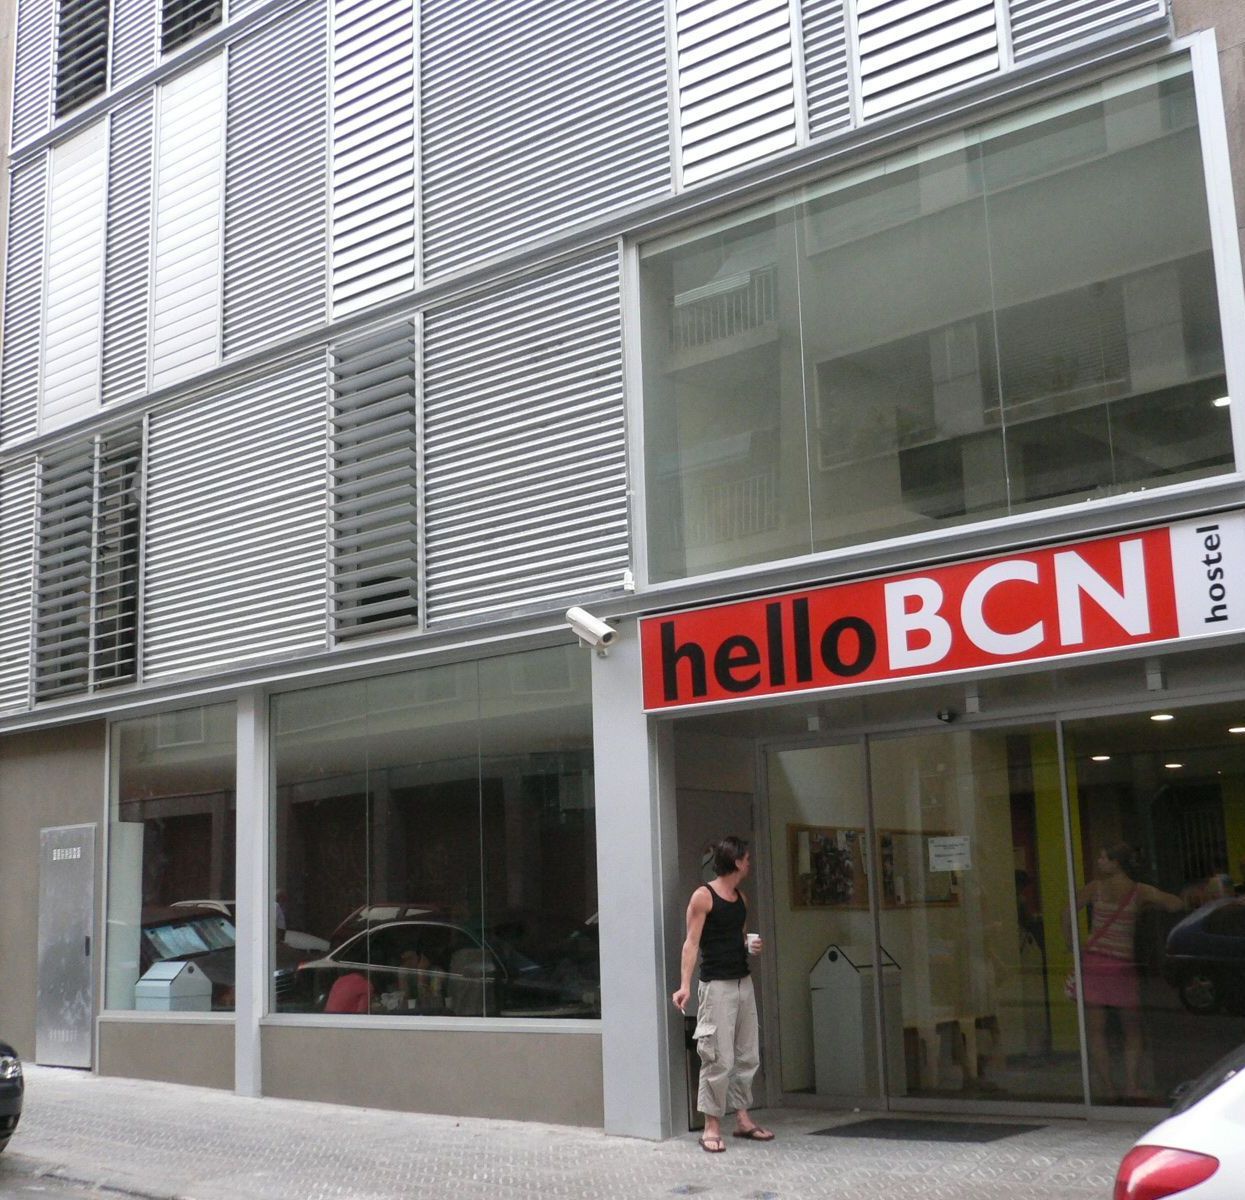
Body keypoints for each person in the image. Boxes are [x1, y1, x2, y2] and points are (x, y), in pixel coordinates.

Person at [672, 835, 773, 1153]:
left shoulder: (742, 899)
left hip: (743, 983)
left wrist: (749, 946)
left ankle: (742, 1119)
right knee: (717, 1056)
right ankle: (711, 1126)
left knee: (747, 1055)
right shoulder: (703, 897)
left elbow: (737, 938)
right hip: (716, 985)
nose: (749, 862)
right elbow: (691, 943)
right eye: (746, 858)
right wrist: (685, 985)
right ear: (736, 862)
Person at [1063, 843, 1184, 1100]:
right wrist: (1150, 907)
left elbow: (1067, 912)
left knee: (1096, 1030)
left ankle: (1107, 1088)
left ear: (1116, 862)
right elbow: (1174, 904)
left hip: (1095, 963)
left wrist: (1071, 945)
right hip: (1122, 966)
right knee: (1132, 1029)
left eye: (1103, 857)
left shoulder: (1094, 888)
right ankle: (1131, 1085)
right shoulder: (1139, 891)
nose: (1099, 861)